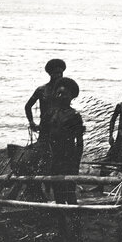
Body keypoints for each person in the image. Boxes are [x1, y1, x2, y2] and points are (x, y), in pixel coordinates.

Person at [42, 77, 85, 205]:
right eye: (58, 93)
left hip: (69, 158)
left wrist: (76, 162)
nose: (61, 96)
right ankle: (62, 224)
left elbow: (79, 142)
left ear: (71, 97)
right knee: (58, 194)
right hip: (54, 158)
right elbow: (45, 136)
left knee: (70, 193)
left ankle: (75, 223)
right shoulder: (50, 114)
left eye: (64, 94)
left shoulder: (74, 116)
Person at [24, 58, 67, 144]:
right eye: (56, 73)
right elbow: (28, 106)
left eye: (60, 73)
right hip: (45, 126)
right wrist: (31, 122)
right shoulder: (42, 90)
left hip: (61, 126)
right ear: (50, 73)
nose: (59, 75)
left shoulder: (65, 90)